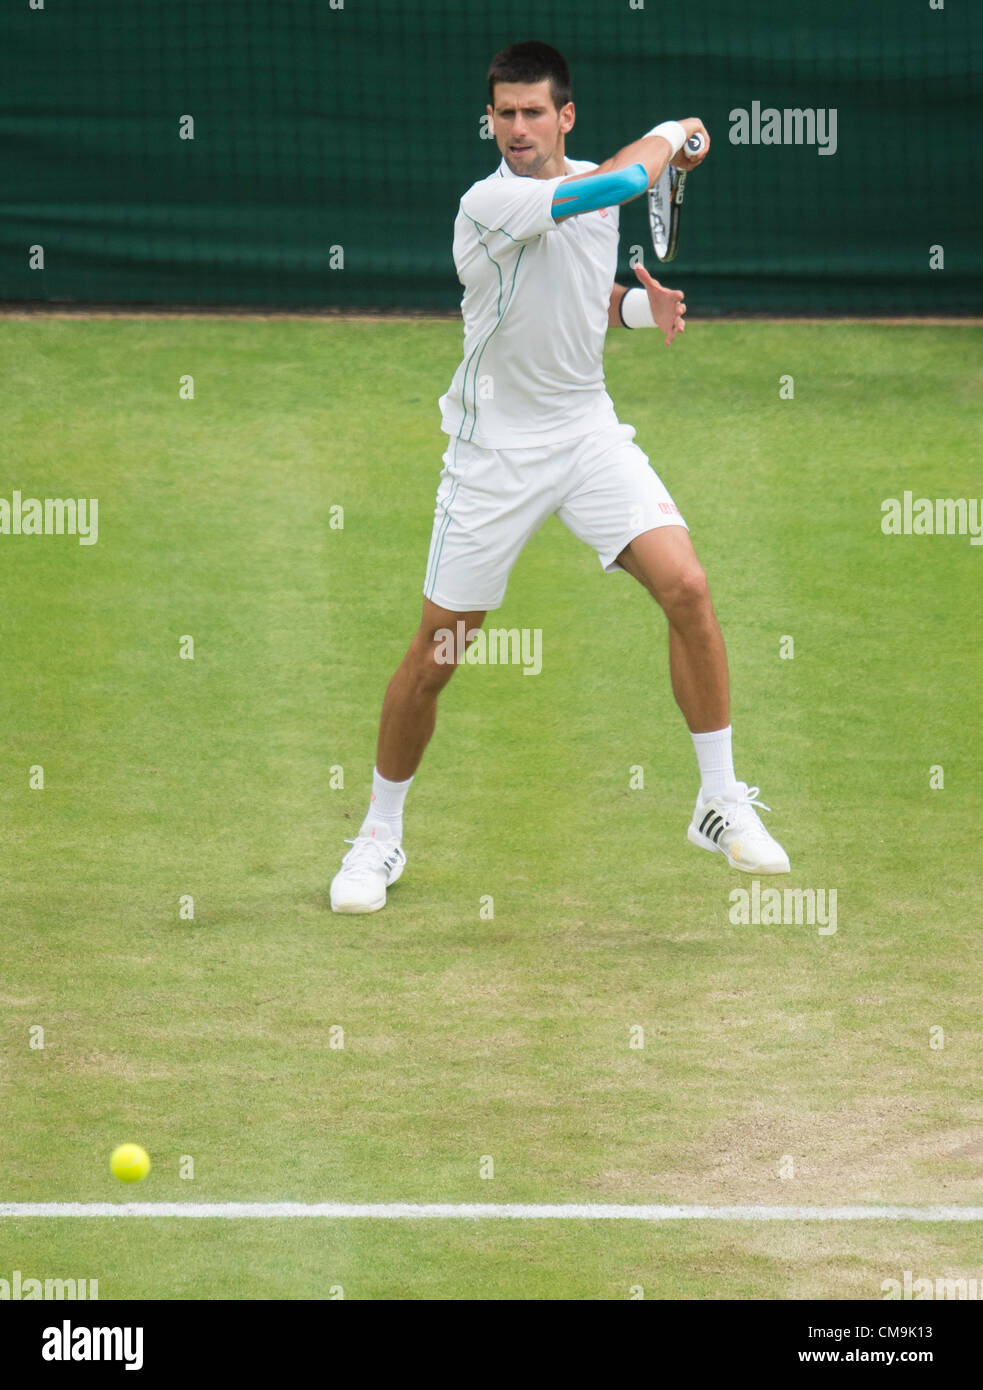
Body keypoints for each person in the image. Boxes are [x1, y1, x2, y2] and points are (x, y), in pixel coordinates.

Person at [331, 40, 789, 914]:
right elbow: (620, 184)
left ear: (563, 116)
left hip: (584, 435)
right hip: (492, 454)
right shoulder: (492, 200)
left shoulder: (590, 181)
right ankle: (377, 837)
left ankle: (718, 801)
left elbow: (578, 294)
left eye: (531, 111)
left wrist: (631, 304)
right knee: (438, 652)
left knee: (686, 586)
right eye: (502, 113)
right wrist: (672, 131)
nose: (515, 128)